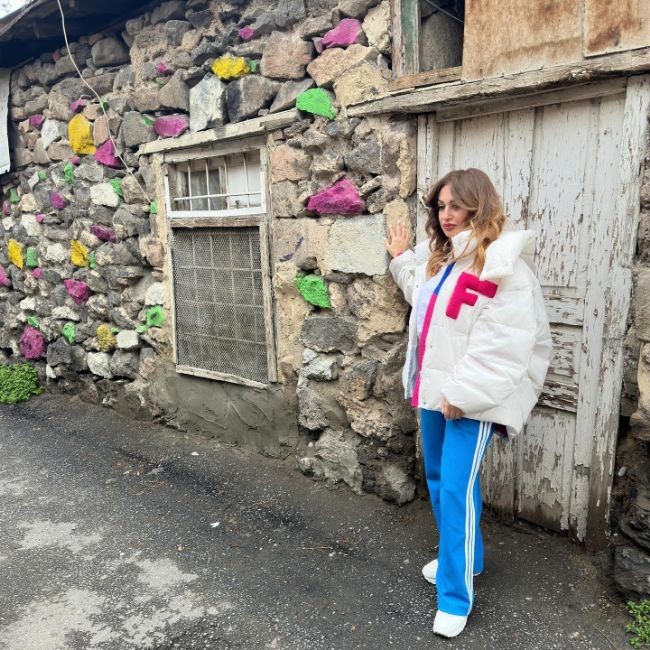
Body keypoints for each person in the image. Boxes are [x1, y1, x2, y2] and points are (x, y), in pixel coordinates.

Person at [384, 168, 552, 638]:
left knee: (456, 490)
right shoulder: (446, 262)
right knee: (441, 481)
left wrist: (463, 395)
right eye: (441, 206)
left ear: (479, 205)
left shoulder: (502, 265)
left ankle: (455, 597)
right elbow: (423, 299)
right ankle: (467, 560)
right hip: (435, 394)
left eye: (456, 205)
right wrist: (401, 259)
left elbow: (506, 343)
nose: (446, 214)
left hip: (470, 401)